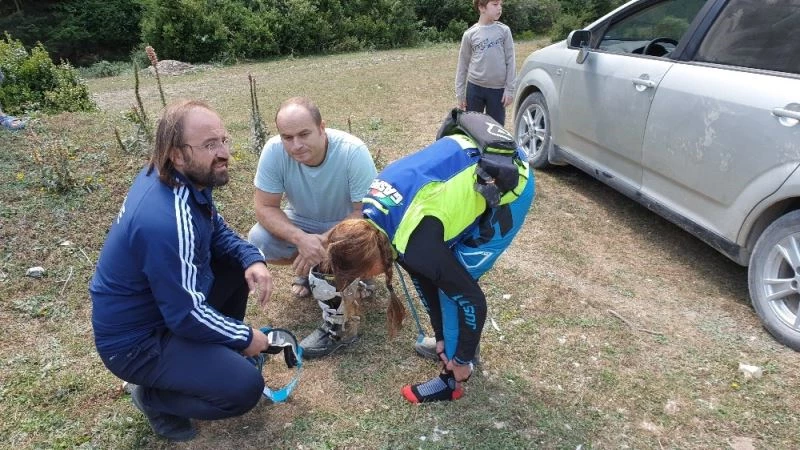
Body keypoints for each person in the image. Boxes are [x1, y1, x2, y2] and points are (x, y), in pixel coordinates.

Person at [90, 100, 274, 441]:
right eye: (209, 145)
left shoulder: (182, 180)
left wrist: (251, 257)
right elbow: (185, 315)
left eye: (223, 140)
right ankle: (152, 397)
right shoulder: (165, 220)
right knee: (244, 388)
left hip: (162, 312)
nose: (224, 153)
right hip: (136, 344)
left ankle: (210, 360)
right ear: (176, 154)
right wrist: (245, 336)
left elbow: (214, 229)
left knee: (235, 264)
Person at [321, 121, 535, 403]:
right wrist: (441, 337)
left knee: (454, 292)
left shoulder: (415, 245)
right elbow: (424, 280)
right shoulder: (375, 224)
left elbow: (473, 300)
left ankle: (454, 378)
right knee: (445, 279)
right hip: (472, 159)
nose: (367, 278)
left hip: (509, 179)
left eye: (363, 275)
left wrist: (461, 359)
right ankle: (455, 345)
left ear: (371, 263)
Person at [247, 97, 378, 358]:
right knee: (258, 238)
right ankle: (314, 270)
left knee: (366, 237)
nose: (296, 145)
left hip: (346, 224)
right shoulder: (274, 151)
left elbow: (364, 212)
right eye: (287, 137)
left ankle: (354, 279)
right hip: (302, 221)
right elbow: (264, 207)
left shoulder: (353, 151)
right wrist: (300, 238)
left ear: (321, 128)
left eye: (304, 134)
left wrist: (322, 240)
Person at [455, 0, 516, 126]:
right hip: (475, 88)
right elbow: (462, 65)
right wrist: (460, 94)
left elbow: (511, 61)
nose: (499, 8)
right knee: (473, 128)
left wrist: (509, 90)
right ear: (482, 7)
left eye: (500, 4)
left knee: (496, 129)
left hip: (497, 90)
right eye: (495, 4)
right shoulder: (469, 34)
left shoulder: (504, 31)